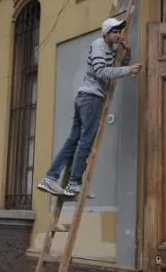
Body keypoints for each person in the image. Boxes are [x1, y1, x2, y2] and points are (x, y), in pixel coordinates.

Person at [38, 18, 142, 197]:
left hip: (87, 98)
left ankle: (51, 178)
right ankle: (74, 183)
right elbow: (102, 72)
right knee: (85, 141)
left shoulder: (111, 48)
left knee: (74, 140)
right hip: (90, 98)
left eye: (119, 32)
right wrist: (128, 70)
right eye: (114, 32)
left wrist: (128, 51)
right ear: (105, 33)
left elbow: (119, 66)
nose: (118, 35)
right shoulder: (98, 45)